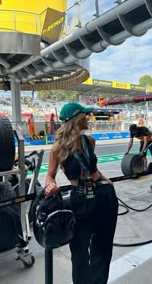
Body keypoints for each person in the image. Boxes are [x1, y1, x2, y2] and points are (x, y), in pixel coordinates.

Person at [45, 102, 119, 284]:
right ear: (77, 120)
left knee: (103, 248)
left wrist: (105, 179)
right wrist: (50, 186)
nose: (88, 118)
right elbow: (49, 175)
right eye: (85, 115)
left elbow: (92, 169)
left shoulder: (90, 141)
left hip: (103, 196)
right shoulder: (57, 148)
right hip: (79, 201)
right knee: (79, 253)